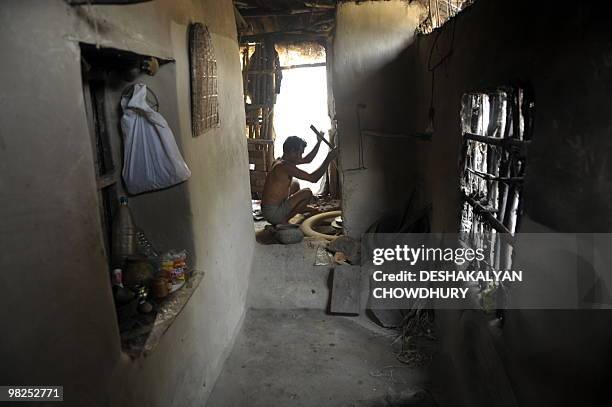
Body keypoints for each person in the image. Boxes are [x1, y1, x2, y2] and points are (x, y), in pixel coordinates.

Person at [261, 135, 337, 225]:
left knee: (295, 184)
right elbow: (314, 178)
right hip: (273, 213)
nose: (301, 156)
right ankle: (284, 220)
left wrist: (318, 142)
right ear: (293, 151)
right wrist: (328, 158)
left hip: (268, 210)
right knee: (307, 192)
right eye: (300, 153)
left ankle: (299, 209)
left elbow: (308, 159)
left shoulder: (281, 161)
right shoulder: (284, 167)